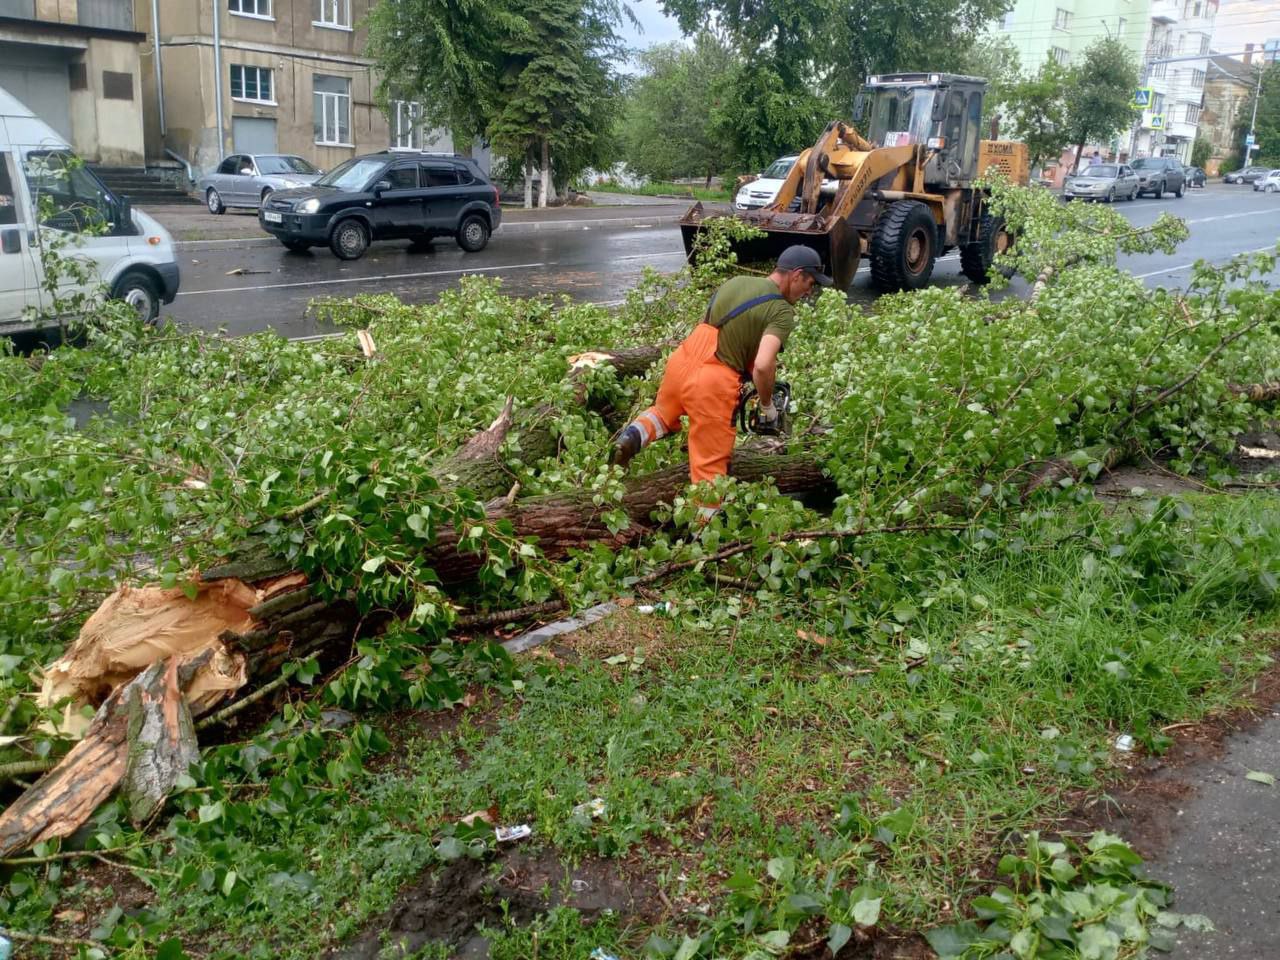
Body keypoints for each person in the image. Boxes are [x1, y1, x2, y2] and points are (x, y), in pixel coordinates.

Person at [611, 245, 831, 518]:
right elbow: (764, 365)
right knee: (710, 469)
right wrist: (766, 406)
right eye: (809, 283)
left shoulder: (736, 282)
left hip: (683, 360)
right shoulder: (782, 311)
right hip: (712, 382)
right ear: (796, 275)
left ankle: (632, 436)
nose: (809, 291)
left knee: (663, 414)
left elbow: (722, 329)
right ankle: (705, 539)